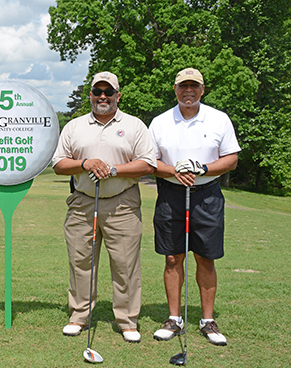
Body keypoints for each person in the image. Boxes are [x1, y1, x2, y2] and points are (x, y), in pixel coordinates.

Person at [52, 71, 156, 343]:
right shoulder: (74, 126)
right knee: (81, 261)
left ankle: (127, 320)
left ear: (117, 96)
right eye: (97, 91)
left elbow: (148, 164)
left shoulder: (134, 126)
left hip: (123, 202)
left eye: (108, 92)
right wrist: (84, 163)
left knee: (125, 264)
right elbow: (59, 164)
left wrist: (113, 169)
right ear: (90, 95)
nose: (102, 97)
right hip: (82, 202)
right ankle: (79, 316)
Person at [149, 68, 240, 346]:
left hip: (207, 194)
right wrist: (174, 171)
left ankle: (207, 320)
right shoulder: (160, 122)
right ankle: (174, 319)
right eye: (183, 86)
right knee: (173, 258)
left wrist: (202, 168)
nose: (188, 90)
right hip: (171, 194)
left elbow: (231, 159)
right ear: (175, 90)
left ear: (202, 89)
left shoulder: (218, 119)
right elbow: (150, 162)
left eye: (194, 86)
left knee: (205, 257)